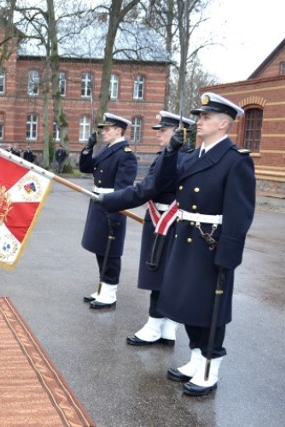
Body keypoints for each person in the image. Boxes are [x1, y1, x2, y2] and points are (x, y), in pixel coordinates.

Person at [154, 93, 255, 397]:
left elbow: (240, 213)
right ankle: (196, 357)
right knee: (187, 302)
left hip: (211, 243)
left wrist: (228, 256)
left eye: (206, 117)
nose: (199, 122)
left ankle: (210, 366)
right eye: (199, 117)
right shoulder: (193, 155)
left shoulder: (235, 159)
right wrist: (171, 153)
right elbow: (163, 183)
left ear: (224, 123)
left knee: (211, 307)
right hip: (185, 237)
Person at [97, 111, 194, 345]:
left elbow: (148, 187)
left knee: (159, 274)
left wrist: (111, 200)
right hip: (165, 219)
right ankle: (168, 327)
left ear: (180, 133)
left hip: (167, 221)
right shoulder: (179, 155)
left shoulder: (176, 157)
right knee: (167, 274)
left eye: (164, 130)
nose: (159, 134)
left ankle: (154, 325)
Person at [79, 113, 137, 309]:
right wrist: (88, 148)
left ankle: (110, 292)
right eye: (103, 129)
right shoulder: (107, 149)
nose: (103, 132)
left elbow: (123, 190)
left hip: (111, 206)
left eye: (108, 129)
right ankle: (103, 287)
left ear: (119, 130)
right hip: (98, 202)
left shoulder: (125, 154)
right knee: (99, 248)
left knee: (111, 252)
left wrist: (115, 213)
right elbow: (86, 168)